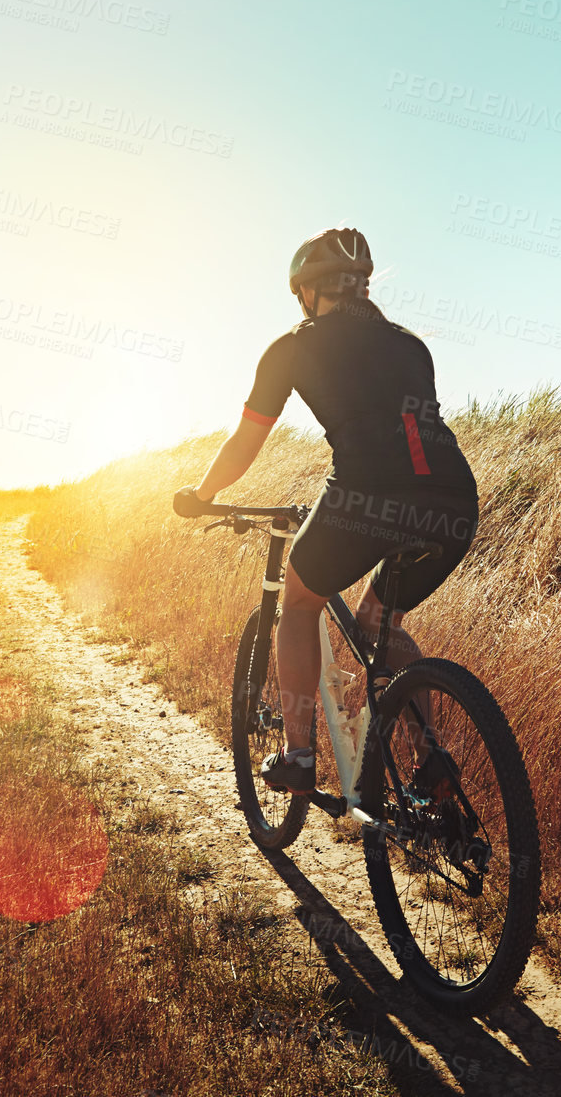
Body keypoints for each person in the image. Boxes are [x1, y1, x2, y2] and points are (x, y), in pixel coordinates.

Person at [174, 228, 479, 793]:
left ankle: (298, 757)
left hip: (366, 496)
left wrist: (204, 494)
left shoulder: (292, 346)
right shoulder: (411, 343)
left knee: (298, 602)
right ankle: (429, 759)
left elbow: (245, 443)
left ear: (309, 292)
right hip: (454, 500)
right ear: (360, 287)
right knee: (378, 623)